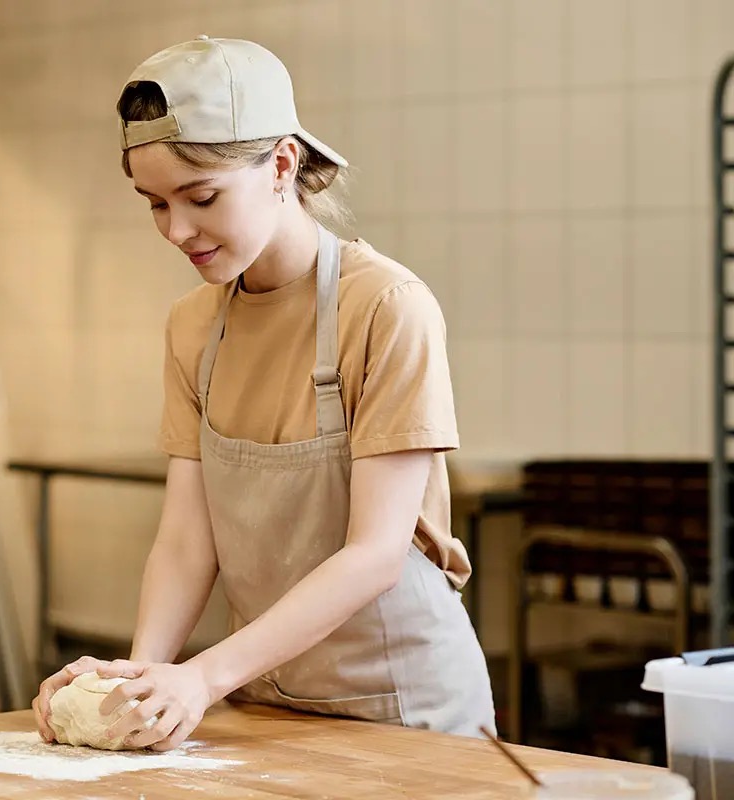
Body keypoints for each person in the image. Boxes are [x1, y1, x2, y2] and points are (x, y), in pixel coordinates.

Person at [33, 35, 496, 753]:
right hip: (269, 707)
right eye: (154, 204)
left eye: (202, 197)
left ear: (282, 164)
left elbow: (374, 554)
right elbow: (190, 541)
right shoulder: (193, 328)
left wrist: (204, 678)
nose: (177, 230)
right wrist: (145, 676)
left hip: (407, 713)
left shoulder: (385, 308)